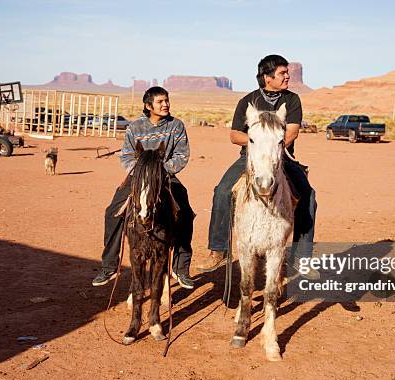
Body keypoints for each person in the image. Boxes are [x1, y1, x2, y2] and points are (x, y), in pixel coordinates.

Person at [197, 55, 317, 273]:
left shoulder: (292, 100)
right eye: (282, 73)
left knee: (309, 197)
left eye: (288, 72)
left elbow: (292, 131)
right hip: (249, 158)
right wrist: (258, 142)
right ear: (267, 77)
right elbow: (234, 135)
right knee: (222, 191)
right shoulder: (247, 102)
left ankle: (302, 256)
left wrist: (272, 147)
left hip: (282, 158)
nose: (287, 76)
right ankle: (218, 249)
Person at [92, 86, 195, 289]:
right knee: (113, 212)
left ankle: (181, 268)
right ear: (148, 106)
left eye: (167, 100)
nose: (165, 104)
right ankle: (109, 266)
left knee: (185, 213)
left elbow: (182, 155)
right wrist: (142, 174)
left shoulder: (176, 126)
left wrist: (160, 172)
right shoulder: (135, 127)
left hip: (166, 176)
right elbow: (127, 155)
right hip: (138, 177)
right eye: (160, 102)